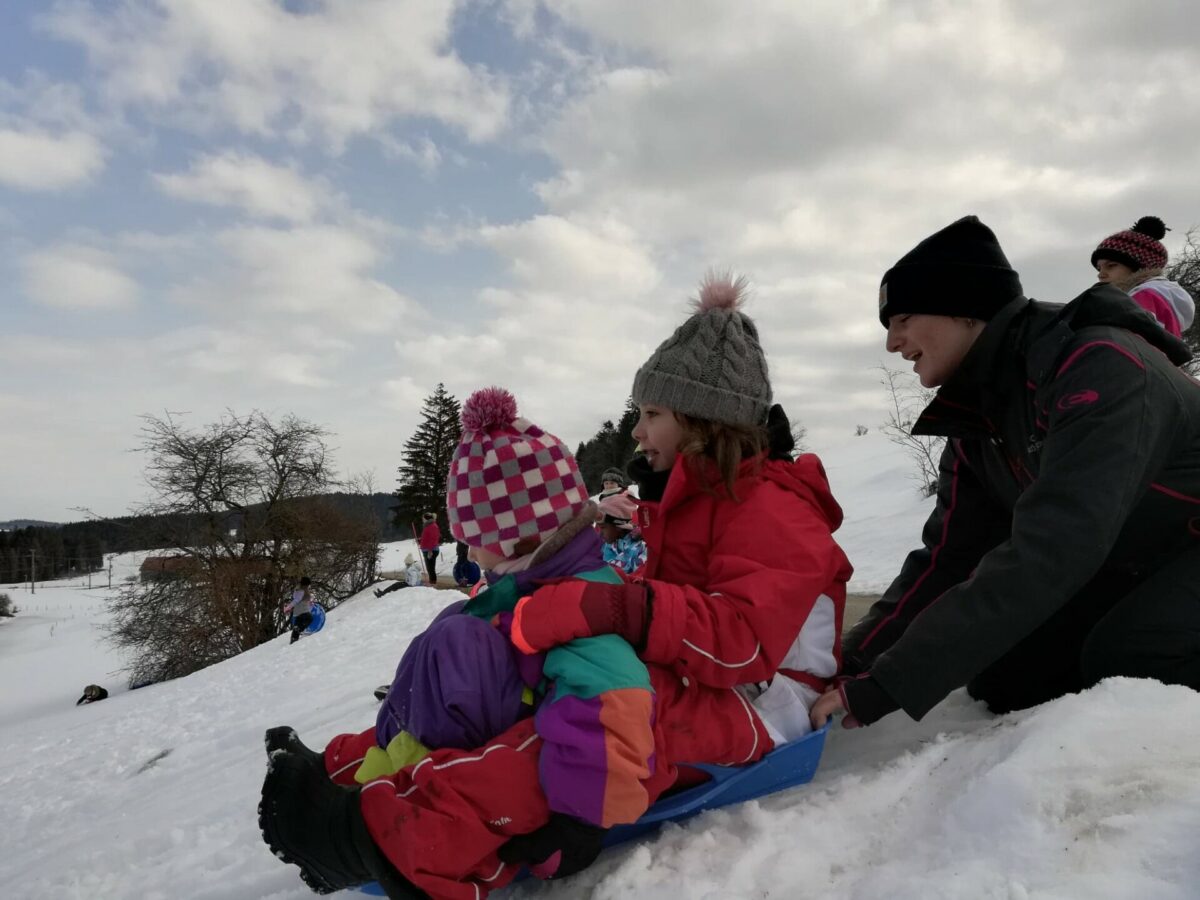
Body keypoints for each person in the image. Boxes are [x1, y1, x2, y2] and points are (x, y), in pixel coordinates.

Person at [258, 274, 852, 899]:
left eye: (652, 414)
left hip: (768, 703)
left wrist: (614, 607)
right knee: (539, 673)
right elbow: (673, 604)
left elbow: (742, 641)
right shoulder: (696, 499)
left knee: (588, 725)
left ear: (706, 421)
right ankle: (346, 768)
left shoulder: (776, 511)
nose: (637, 431)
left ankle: (384, 839)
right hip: (708, 679)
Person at [811, 215, 1200, 734]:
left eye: (902, 318)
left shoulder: (1099, 365)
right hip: (1143, 559)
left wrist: (888, 685)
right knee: (1008, 676)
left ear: (965, 308)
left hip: (1181, 550)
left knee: (1134, 654)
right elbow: (946, 559)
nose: (893, 343)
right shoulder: (979, 420)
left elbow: (1056, 544)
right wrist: (851, 663)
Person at [1091, 215, 1194, 337]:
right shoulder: (1158, 296)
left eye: (1111, 265)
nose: (1101, 274)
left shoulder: (1143, 297)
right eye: (1099, 268)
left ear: (1139, 268)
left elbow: (1131, 341)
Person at [596, 491, 646, 574]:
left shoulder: (639, 550)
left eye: (603, 527)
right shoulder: (606, 545)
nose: (600, 533)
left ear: (619, 526)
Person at [283, 576, 315, 645]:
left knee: (298, 623)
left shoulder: (301, 589)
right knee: (309, 618)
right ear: (306, 583)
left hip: (299, 610)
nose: (309, 585)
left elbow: (303, 599)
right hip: (302, 609)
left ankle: (293, 640)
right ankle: (300, 629)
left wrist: (310, 603)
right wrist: (288, 607)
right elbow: (296, 600)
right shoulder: (301, 590)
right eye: (308, 584)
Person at [418, 512, 441, 585]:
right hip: (428, 549)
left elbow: (433, 539)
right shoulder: (428, 525)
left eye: (423, 518)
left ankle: (433, 583)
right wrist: (420, 541)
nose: (422, 520)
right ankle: (432, 582)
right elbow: (427, 537)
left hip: (430, 550)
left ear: (426, 518)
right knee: (429, 568)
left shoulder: (432, 526)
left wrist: (430, 550)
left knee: (430, 568)